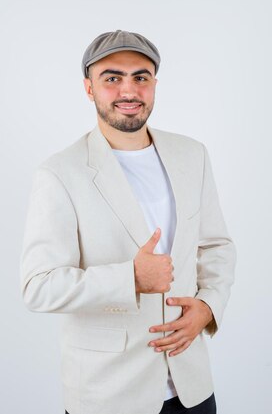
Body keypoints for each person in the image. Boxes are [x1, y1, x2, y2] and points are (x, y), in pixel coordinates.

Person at [19, 29, 236, 414]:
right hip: (109, 395)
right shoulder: (60, 173)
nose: (128, 91)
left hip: (192, 387)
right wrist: (131, 279)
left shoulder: (192, 155)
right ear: (89, 88)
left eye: (141, 77)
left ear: (154, 84)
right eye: (112, 78)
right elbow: (38, 286)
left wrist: (208, 306)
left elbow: (216, 246)